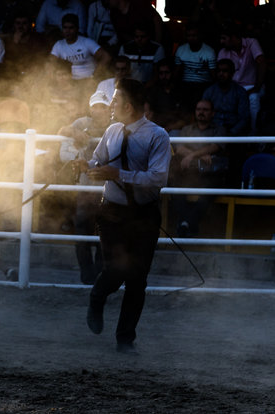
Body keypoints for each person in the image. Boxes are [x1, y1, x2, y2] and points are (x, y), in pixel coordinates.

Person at [82, 78, 171, 354]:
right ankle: (97, 296)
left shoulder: (157, 135)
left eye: (115, 101)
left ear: (128, 106)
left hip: (143, 214)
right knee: (117, 268)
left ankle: (125, 337)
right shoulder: (112, 131)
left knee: (137, 278)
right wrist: (88, 167)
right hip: (112, 210)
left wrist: (118, 174)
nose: (110, 106)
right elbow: (99, 161)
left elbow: (158, 177)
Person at [58, 90, 112, 284]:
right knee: (82, 232)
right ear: (90, 109)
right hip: (86, 187)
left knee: (104, 235)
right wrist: (74, 133)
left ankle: (98, 275)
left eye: (102, 107)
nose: (98, 111)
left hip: (108, 190)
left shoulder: (116, 126)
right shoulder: (81, 123)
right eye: (95, 106)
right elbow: (61, 135)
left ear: (109, 109)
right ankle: (87, 276)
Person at [171, 99, 228, 238]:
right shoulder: (186, 129)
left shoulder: (219, 130)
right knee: (173, 184)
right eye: (198, 109)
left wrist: (192, 155)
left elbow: (215, 147)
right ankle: (190, 224)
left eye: (205, 110)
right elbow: (179, 148)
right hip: (189, 172)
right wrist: (199, 156)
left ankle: (186, 223)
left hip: (210, 173)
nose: (201, 112)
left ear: (213, 113)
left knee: (207, 193)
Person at [217, 21, 267, 133]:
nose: (221, 41)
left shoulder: (252, 43)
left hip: (252, 87)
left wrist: (257, 87)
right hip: (233, 88)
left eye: (224, 38)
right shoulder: (223, 52)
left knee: (254, 99)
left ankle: (254, 134)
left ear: (233, 37)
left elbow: (262, 63)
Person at [50, 13, 111, 97]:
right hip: (69, 84)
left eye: (71, 28)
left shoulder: (87, 42)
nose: (68, 31)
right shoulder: (59, 45)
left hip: (87, 82)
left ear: (77, 28)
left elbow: (106, 57)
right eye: (65, 28)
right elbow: (50, 63)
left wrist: (94, 76)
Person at [173, 23, 216, 111]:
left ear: (200, 36)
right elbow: (176, 73)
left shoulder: (209, 52)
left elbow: (213, 75)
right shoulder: (181, 50)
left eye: (194, 35)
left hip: (203, 85)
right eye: (189, 36)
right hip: (186, 84)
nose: (191, 38)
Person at [202, 59, 250, 136]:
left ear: (232, 73)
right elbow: (203, 115)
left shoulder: (240, 92)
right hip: (212, 132)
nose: (221, 74)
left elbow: (244, 118)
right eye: (219, 71)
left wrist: (232, 132)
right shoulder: (209, 91)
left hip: (233, 133)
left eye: (225, 71)